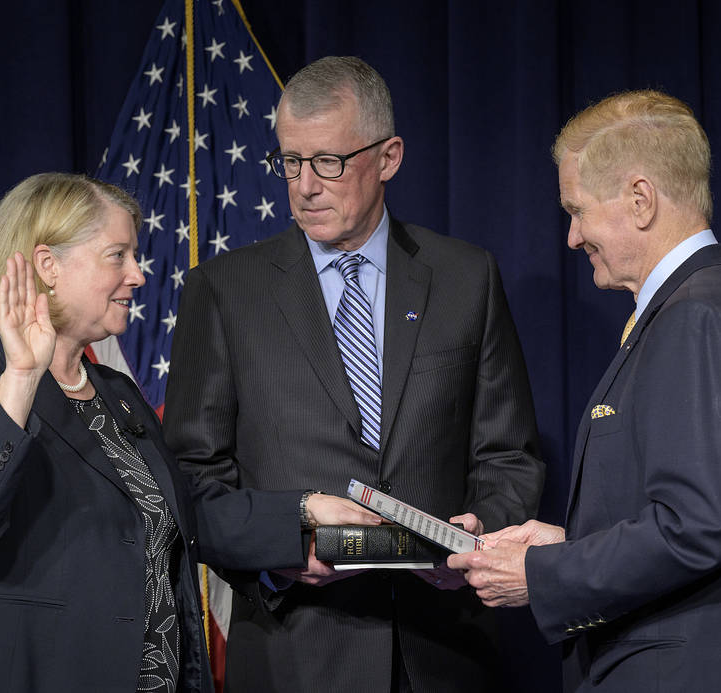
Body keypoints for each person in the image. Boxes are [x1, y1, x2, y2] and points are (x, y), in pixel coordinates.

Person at [162, 56, 544, 692]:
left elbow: (510, 455)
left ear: (388, 157)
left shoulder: (465, 277)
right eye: (290, 162)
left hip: (443, 649)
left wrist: (477, 541)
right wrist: (285, 548)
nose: (305, 185)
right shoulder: (224, 292)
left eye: (328, 162)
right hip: (295, 654)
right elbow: (190, 487)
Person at [0, 172, 379, 693]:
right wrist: (23, 377)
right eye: (117, 255)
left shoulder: (116, 391)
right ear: (49, 266)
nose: (138, 275)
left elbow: (186, 515)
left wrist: (302, 509)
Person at [449, 90, 721, 692]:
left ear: (640, 200)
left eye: (578, 211)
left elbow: (697, 526)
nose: (571, 237)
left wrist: (543, 575)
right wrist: (566, 542)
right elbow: (703, 510)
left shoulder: (699, 317)